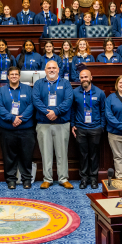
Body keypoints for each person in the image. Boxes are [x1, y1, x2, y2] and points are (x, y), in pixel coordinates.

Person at [32, 60, 74, 189]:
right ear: (45, 70)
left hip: (61, 123)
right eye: (49, 68)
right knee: (46, 153)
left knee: (62, 152)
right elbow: (36, 100)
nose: (51, 70)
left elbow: (68, 100)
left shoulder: (65, 83)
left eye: (54, 68)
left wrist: (56, 111)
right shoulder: (39, 83)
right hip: (44, 123)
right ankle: (47, 178)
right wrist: (47, 112)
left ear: (58, 70)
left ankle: (63, 178)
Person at [0, 66, 35, 189]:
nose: (13, 76)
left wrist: (20, 119)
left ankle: (26, 179)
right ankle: (11, 180)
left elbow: (32, 105)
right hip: (8, 129)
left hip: (26, 129)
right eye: (11, 74)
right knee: (9, 156)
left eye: (16, 74)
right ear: (8, 76)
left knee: (26, 155)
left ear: (19, 76)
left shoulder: (28, 89)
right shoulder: (1, 91)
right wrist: (13, 118)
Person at [71, 69, 106, 188]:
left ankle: (94, 179)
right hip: (80, 128)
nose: (84, 79)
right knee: (83, 155)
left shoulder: (100, 93)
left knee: (94, 155)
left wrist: (102, 126)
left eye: (86, 77)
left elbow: (103, 111)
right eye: (81, 77)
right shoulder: (75, 93)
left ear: (91, 78)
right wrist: (73, 125)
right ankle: (84, 179)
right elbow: (73, 110)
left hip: (95, 128)